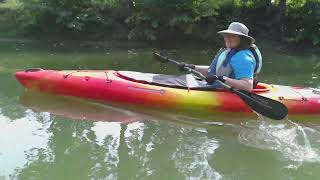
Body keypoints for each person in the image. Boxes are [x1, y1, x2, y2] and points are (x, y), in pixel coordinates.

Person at [179, 22, 262, 92]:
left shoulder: (243, 57)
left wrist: (222, 78)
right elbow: (212, 72)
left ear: (242, 39)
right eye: (226, 35)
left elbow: (247, 86)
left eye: (233, 36)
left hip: (230, 94)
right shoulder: (231, 52)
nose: (227, 38)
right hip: (217, 88)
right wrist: (192, 67)